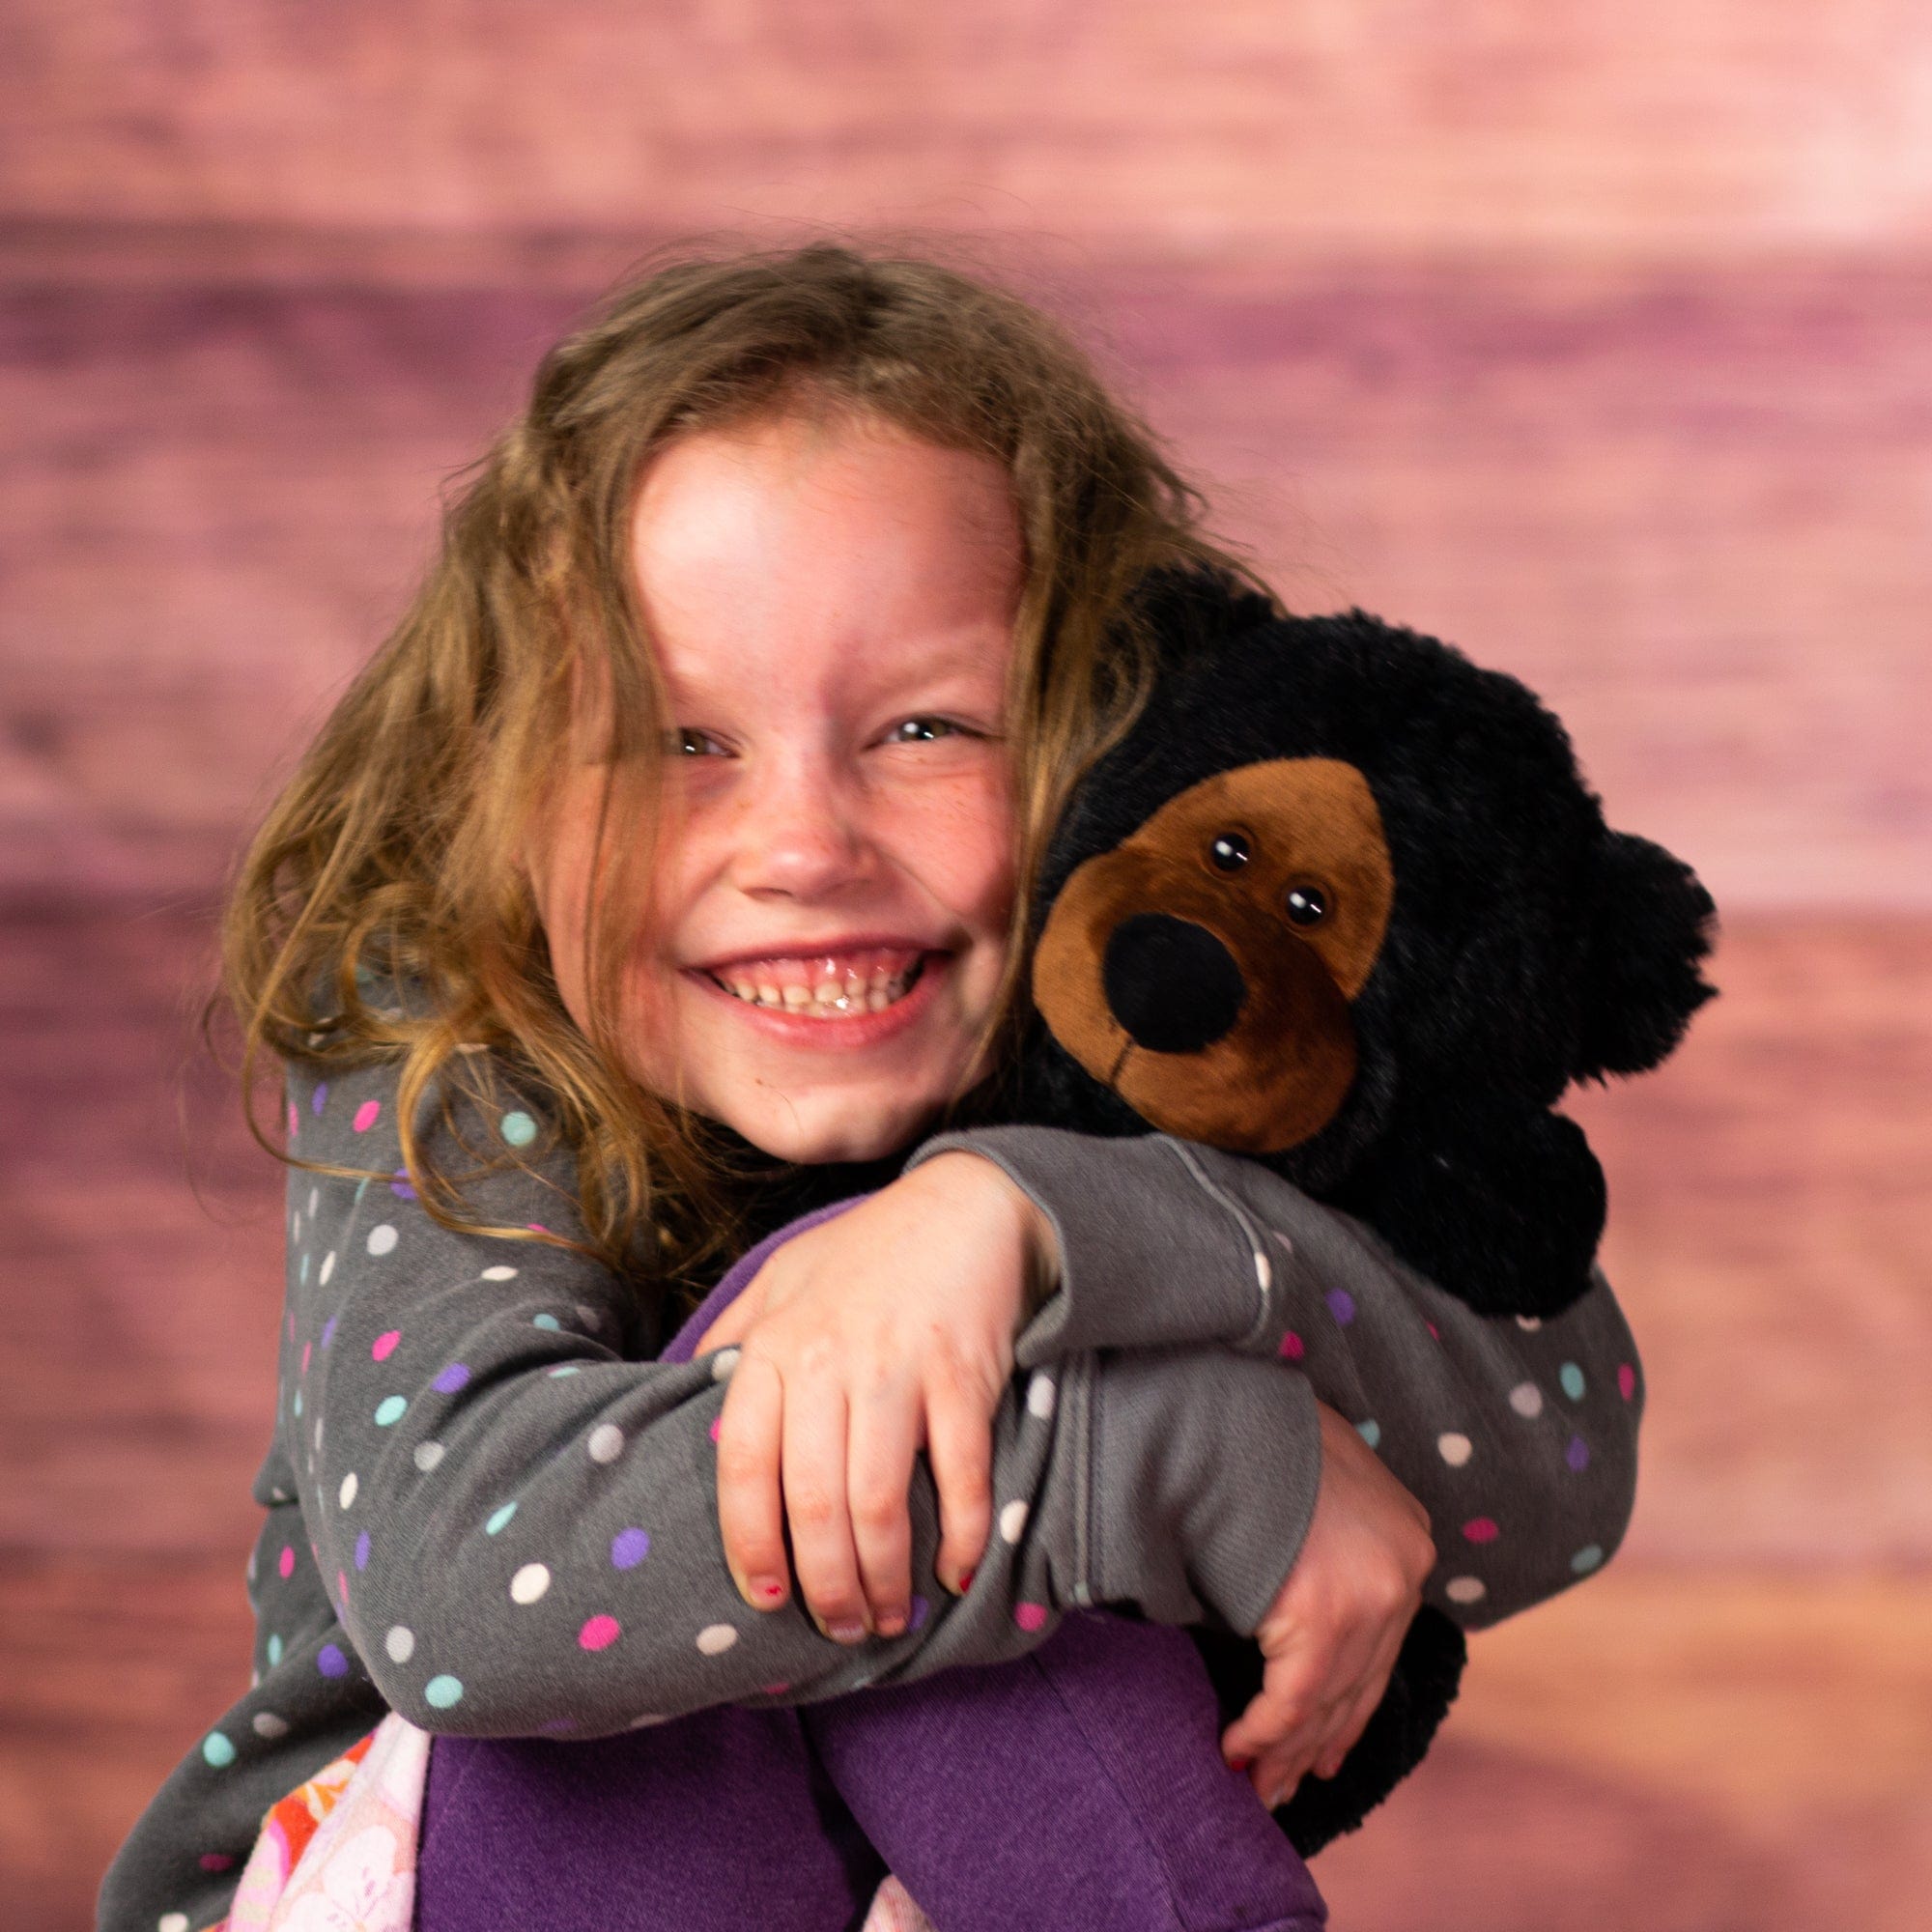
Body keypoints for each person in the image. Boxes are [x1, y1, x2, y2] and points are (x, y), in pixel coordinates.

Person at [96, 241, 1643, 1932]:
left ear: (1108, 730)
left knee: (918, 1384)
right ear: (503, 786)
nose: (802, 848)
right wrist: (1174, 1449)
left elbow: (1552, 1467)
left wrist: (1035, 1218)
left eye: (927, 730)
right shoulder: (460, 1023)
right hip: (420, 1884)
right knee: (837, 1373)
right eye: (678, 741)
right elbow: (471, 1593)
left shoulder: (1133, 1004)